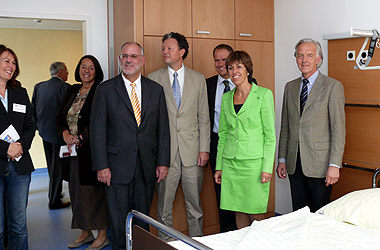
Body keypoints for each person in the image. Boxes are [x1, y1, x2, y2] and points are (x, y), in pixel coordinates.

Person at [90, 42, 170, 250]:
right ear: (119, 60)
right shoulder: (105, 90)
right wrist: (102, 165)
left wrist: (163, 162)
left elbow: (163, 130)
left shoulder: (156, 90)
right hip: (115, 168)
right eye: (125, 56)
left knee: (142, 221)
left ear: (142, 60)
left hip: (146, 167)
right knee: (118, 222)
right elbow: (97, 131)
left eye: (134, 56)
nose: (128, 60)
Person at [148, 32, 210, 240]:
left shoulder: (198, 78)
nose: (165, 52)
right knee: (164, 204)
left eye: (169, 48)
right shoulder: (153, 78)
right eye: (163, 48)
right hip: (166, 155)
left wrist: (204, 149)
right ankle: (165, 242)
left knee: (195, 204)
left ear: (182, 52)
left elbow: (204, 117)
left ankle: (197, 241)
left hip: (193, 152)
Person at [276, 38, 345, 212]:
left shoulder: (332, 86)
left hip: (320, 164)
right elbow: (286, 126)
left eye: (309, 55)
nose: (304, 60)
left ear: (318, 59)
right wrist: (282, 158)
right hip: (294, 163)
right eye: (300, 56)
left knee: (320, 214)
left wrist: (334, 165)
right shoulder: (290, 87)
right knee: (299, 213)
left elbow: (338, 129)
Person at [214, 50, 276, 229]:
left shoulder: (263, 95)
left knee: (255, 211)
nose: (234, 72)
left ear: (247, 69)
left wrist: (267, 168)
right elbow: (223, 135)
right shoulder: (227, 98)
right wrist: (219, 166)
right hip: (231, 163)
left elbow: (270, 136)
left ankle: (265, 245)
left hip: (253, 165)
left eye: (239, 67)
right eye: (230, 67)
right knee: (238, 210)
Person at [57, 55, 109, 250]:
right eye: (83, 67)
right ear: (78, 69)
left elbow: (100, 120)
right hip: (71, 152)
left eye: (91, 68)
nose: (86, 71)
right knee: (76, 193)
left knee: (94, 194)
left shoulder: (100, 90)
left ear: (97, 71)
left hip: (92, 152)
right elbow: (60, 116)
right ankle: (85, 232)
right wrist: (64, 133)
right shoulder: (72, 90)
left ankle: (102, 235)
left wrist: (81, 137)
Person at [0, 45, 36, 249]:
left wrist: (20, 146)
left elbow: (31, 125)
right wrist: (5, 149)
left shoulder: (20, 92)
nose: (11, 66)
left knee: (18, 226)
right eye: (6, 60)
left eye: (14, 62)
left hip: (20, 167)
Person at [206, 44, 237, 233]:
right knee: (221, 191)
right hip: (216, 143)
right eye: (216, 60)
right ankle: (226, 232)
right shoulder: (207, 84)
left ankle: (243, 231)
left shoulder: (250, 84)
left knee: (239, 189)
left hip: (240, 145)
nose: (220, 64)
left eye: (224, 60)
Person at [32, 61, 70, 209]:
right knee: (57, 168)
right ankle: (54, 201)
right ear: (60, 72)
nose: (67, 73)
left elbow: (32, 109)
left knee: (51, 166)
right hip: (58, 134)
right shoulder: (66, 88)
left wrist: (38, 127)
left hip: (43, 132)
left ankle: (55, 192)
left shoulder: (39, 86)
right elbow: (67, 113)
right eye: (66, 71)